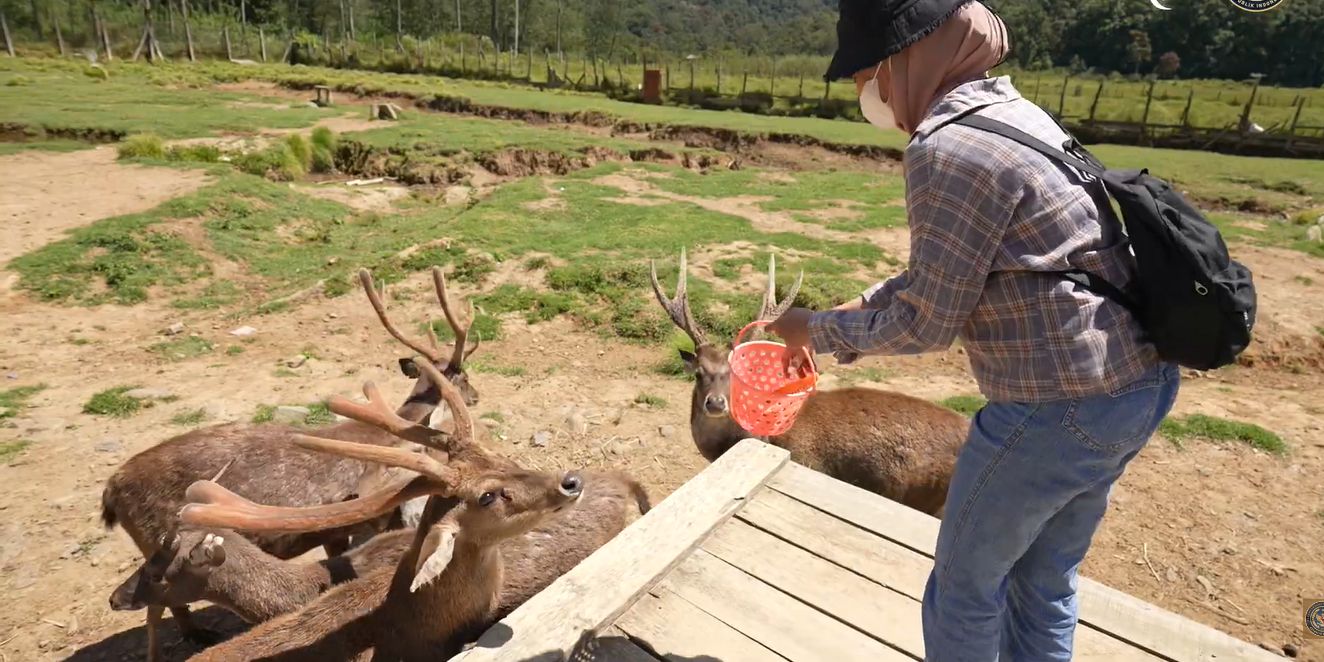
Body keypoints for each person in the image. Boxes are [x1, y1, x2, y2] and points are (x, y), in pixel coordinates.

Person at [764, 1, 1180, 660]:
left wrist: (811, 329)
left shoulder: (946, 146)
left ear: (906, 59)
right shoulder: (1010, 113)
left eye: (864, 73)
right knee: (1043, 579)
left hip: (1055, 406)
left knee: (963, 586)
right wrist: (851, 310)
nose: (862, 92)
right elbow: (955, 270)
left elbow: (927, 322)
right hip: (1133, 387)